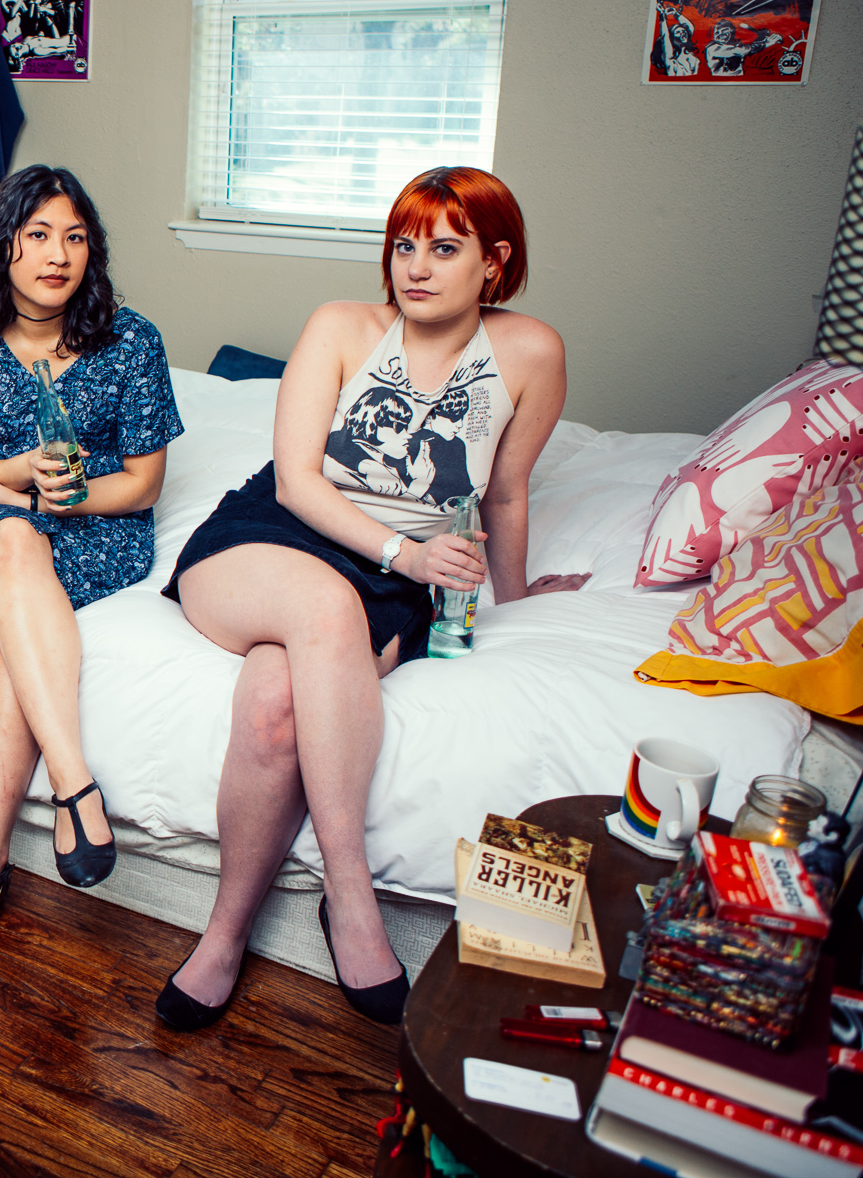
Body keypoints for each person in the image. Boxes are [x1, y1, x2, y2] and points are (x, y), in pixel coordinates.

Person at [156, 166, 587, 1028]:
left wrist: (512, 598)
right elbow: (295, 479)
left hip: (397, 578)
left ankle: (224, 933)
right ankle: (350, 891)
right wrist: (407, 552)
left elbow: (504, 493)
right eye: (403, 246)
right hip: (272, 535)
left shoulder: (533, 352)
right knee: (322, 608)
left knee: (275, 702)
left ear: (495, 261)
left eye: (445, 248)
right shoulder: (341, 325)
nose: (416, 267)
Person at [0, 165, 183, 956]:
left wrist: (45, 495)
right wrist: (26, 473)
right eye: (38, 235)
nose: (59, 254)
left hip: (98, 524)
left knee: (2, 619)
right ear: (3, 245)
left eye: (75, 237)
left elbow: (141, 484)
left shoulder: (132, 340)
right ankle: (74, 782)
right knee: (12, 540)